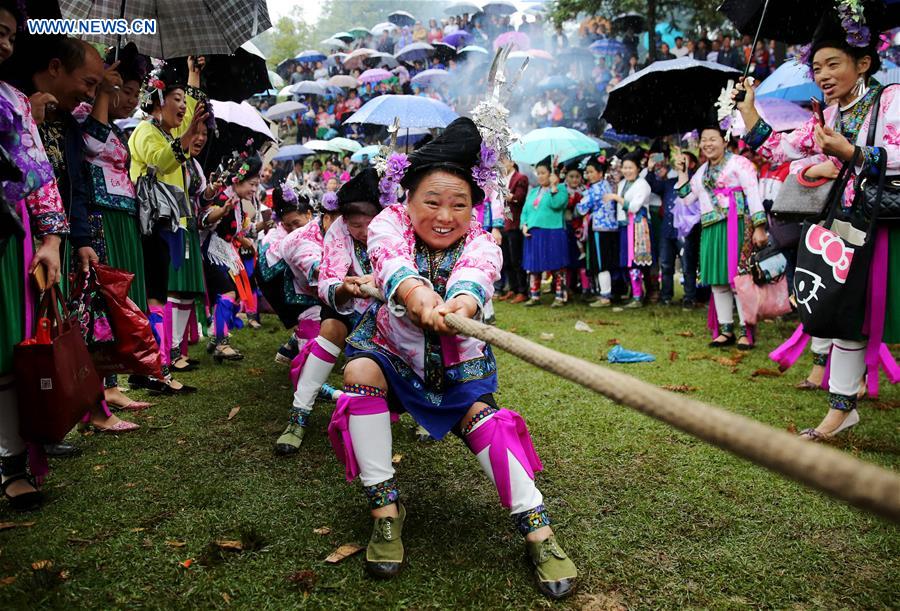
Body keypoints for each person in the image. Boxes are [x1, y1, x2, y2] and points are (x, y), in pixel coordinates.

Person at [328, 118, 577, 598]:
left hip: (458, 367)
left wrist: (460, 305)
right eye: (432, 202)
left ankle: (538, 532)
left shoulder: (483, 240)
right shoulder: (386, 224)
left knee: (487, 422)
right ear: (408, 201)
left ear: (473, 207)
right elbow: (392, 261)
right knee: (359, 372)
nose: (445, 215)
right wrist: (418, 298)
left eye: (458, 204)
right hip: (392, 354)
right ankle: (385, 512)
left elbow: (478, 275)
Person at [735, 9, 899, 439]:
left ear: (862, 63)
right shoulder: (827, 115)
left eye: (833, 64)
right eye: (817, 67)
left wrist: (851, 154)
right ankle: (841, 410)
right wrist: (749, 111)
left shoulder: (890, 99)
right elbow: (776, 149)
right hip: (850, 229)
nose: (823, 75)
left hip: (890, 229)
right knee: (847, 317)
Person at [0, 0, 69, 509]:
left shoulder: (13, 100)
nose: (4, 42)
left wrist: (50, 241)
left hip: (8, 235)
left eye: (8, 34)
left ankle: (11, 463)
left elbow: (40, 177)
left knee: (6, 349)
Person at [277, 169, 380, 455]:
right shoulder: (339, 230)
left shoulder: (395, 226)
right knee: (330, 331)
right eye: (355, 224)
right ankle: (299, 414)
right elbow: (328, 280)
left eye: (368, 223)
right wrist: (347, 288)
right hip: (346, 301)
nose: (361, 231)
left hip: (389, 309)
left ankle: (422, 410)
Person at [128, 57, 208, 393]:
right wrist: (185, 135)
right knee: (156, 296)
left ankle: (148, 367)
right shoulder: (146, 132)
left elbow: (191, 112)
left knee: (160, 293)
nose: (182, 107)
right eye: (174, 99)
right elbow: (160, 162)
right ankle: (156, 367)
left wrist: (193, 74)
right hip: (153, 224)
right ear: (158, 101)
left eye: (181, 100)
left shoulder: (166, 131)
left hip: (172, 221)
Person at [675, 121, 767, 348]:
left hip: (736, 225)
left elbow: (753, 194)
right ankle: (726, 329)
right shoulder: (701, 171)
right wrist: (681, 172)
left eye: (712, 139)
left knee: (739, 280)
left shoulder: (740, 163)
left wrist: (759, 226)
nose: (707, 144)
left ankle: (747, 330)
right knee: (717, 281)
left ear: (724, 140)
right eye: (704, 140)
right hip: (711, 229)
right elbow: (687, 198)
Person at [199, 153, 263, 362]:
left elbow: (239, 231)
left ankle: (218, 336)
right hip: (212, 251)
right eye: (252, 184)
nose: (254, 189)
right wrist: (223, 210)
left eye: (256, 185)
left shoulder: (235, 201)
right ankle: (220, 342)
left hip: (224, 251)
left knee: (230, 294)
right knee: (228, 292)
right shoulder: (224, 198)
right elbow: (205, 219)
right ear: (238, 180)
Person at [257, 185, 314, 365]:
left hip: (298, 276)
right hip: (277, 281)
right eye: (287, 224)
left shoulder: (317, 228)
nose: (292, 228)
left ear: (309, 214)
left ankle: (291, 348)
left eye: (296, 223)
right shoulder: (277, 238)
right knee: (309, 314)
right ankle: (306, 365)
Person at [605, 152, 654, 308]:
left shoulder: (642, 185)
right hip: (624, 226)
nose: (627, 171)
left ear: (638, 168)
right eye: (624, 168)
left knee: (636, 260)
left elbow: (633, 207)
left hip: (638, 226)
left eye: (630, 168)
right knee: (627, 260)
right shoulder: (622, 184)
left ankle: (639, 295)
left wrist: (615, 197)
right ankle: (634, 293)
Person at [521, 158, 569, 307]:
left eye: (543, 173)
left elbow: (557, 205)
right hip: (533, 233)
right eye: (538, 173)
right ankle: (534, 295)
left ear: (551, 174)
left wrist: (554, 187)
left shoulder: (560, 189)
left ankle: (560, 296)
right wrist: (524, 224)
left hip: (553, 231)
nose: (540, 176)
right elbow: (525, 211)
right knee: (534, 266)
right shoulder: (534, 191)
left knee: (556, 265)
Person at [576, 156, 617, 307]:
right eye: (587, 172)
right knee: (608, 260)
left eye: (592, 172)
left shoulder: (595, 189)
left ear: (600, 173)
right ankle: (610, 292)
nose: (589, 175)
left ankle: (605, 296)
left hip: (600, 228)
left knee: (601, 262)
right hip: (612, 227)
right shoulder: (608, 184)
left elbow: (581, 209)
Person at [498, 158, 529, 303]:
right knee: (506, 260)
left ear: (512, 162)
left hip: (515, 223)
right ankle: (513, 288)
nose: (501, 163)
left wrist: (505, 194)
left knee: (517, 258)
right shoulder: (500, 178)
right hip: (502, 223)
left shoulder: (520, 178)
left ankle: (523, 290)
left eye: (504, 160)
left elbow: (519, 198)